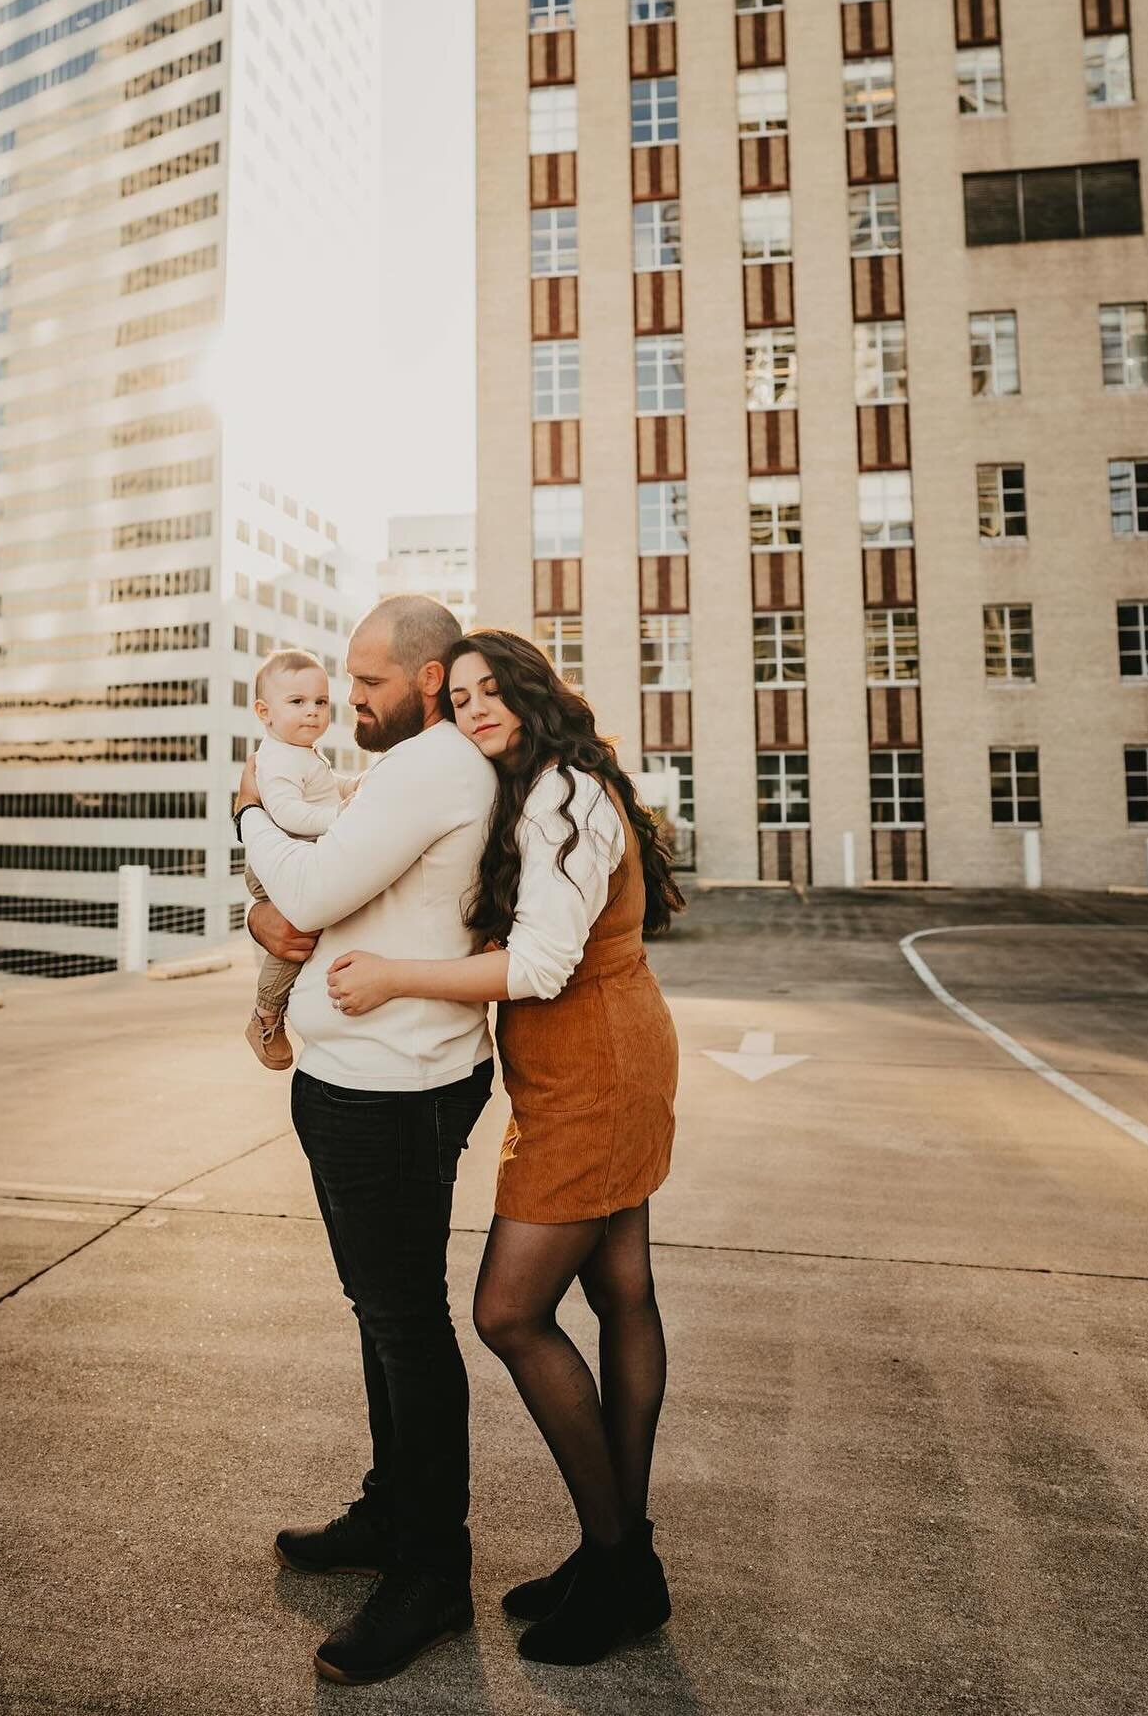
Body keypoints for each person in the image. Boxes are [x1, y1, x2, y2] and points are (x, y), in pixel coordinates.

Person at [324, 628, 684, 1668]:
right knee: (621, 1293)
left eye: (496, 690)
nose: (476, 707)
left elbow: (538, 962)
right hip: (596, 1060)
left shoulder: (563, 793)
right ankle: (624, 1558)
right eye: (465, 693)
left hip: (593, 1076)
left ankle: (618, 1561)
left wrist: (394, 974)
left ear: (536, 693)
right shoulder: (552, 782)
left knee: (509, 1310)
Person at [232, 595, 498, 1687]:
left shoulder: (434, 765)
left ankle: (432, 1570)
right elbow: (301, 914)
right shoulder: (403, 766)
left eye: (369, 680)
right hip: (358, 1080)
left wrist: (245, 810)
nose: (349, 698)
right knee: (381, 1311)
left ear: (428, 679)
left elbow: (306, 888)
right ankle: (393, 1515)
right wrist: (270, 911)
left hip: (395, 1092)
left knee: (404, 1320)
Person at [241, 648, 349, 1072]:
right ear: (264, 712)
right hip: (275, 864)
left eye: (321, 703)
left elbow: (323, 787)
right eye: (298, 702)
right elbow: (287, 812)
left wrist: (350, 787)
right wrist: (338, 817)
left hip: (296, 855)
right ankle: (265, 1014)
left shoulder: (301, 752)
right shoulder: (277, 758)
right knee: (295, 936)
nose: (313, 713)